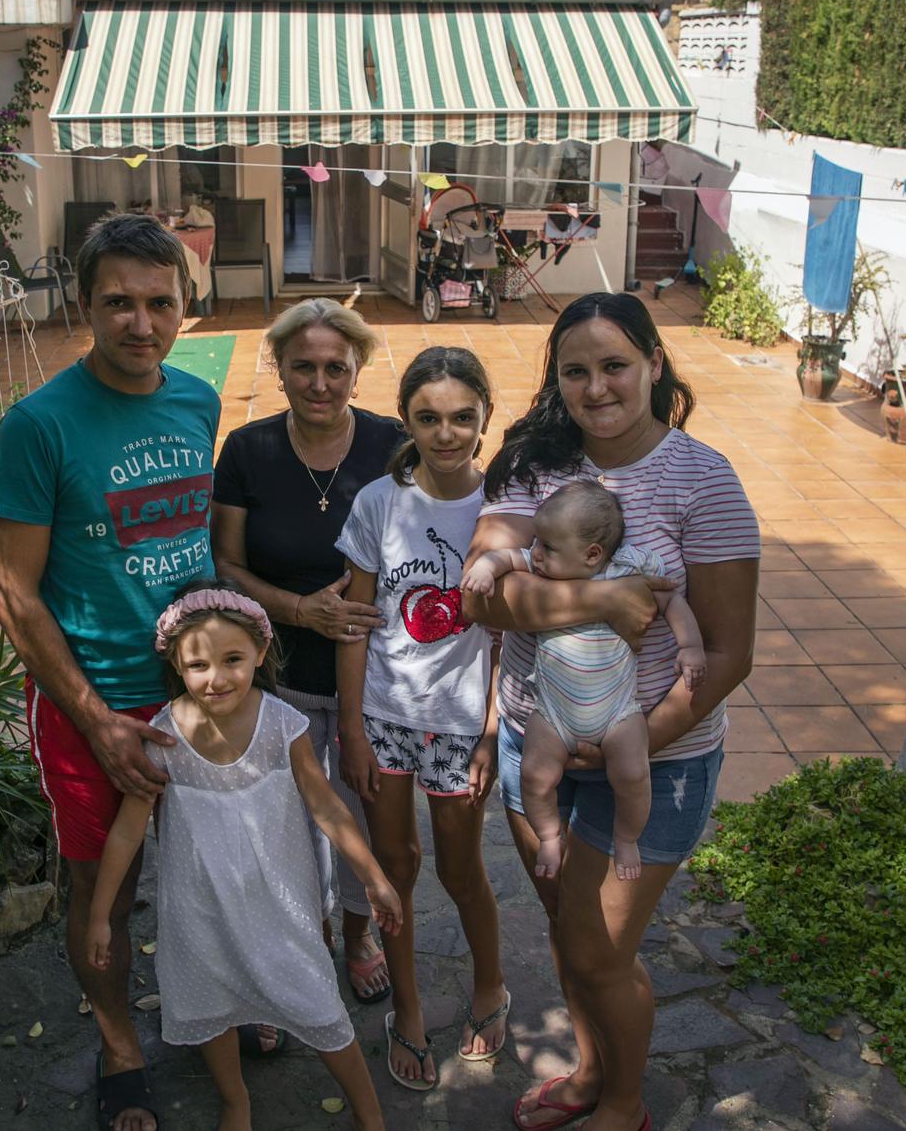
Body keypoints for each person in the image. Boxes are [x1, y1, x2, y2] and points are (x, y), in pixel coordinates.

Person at [462, 293, 760, 1131]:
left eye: (615, 365)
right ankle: (592, 1071)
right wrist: (604, 597)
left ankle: (624, 1104)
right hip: (537, 741)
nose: (597, 387)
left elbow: (731, 652)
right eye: (577, 370)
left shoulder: (706, 481)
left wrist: (631, 741)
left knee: (599, 950)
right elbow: (482, 598)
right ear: (557, 379)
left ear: (655, 364)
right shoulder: (533, 464)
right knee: (566, 927)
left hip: (654, 762)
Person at [0, 213, 216, 1131]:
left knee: (211, 873)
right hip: (94, 704)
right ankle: (121, 1044)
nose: (140, 322)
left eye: (160, 302)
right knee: (103, 891)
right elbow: (13, 594)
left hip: (199, 695)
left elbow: (194, 543)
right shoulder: (36, 426)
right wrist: (96, 717)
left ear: (184, 309)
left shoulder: (197, 403)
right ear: (84, 304)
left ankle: (217, 1009)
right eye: (117, 301)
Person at [88, 580, 401, 1131]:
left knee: (315, 999)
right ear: (177, 666)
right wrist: (99, 916)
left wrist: (372, 877)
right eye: (198, 664)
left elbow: (327, 807)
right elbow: (126, 832)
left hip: (278, 903)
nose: (216, 678)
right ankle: (236, 1101)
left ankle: (369, 1112)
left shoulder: (281, 723)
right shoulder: (163, 736)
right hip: (198, 906)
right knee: (207, 998)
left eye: (232, 659)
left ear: (260, 653)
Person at [212, 298, 404, 1004]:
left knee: (360, 815)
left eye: (336, 368)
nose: (320, 382)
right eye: (304, 367)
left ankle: (357, 935)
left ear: (357, 371)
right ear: (280, 369)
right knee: (281, 823)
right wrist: (299, 609)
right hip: (280, 675)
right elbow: (225, 564)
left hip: (371, 679)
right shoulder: (249, 450)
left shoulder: (392, 443)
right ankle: (295, 938)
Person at [334, 346, 510, 1093]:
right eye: (428, 417)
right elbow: (356, 618)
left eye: (462, 417)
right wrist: (350, 729)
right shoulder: (379, 501)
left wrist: (493, 728)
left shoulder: (505, 507)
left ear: (484, 419)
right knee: (393, 868)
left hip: (463, 722)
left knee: (461, 867)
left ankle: (490, 987)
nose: (446, 434)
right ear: (405, 419)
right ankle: (406, 1009)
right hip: (385, 714)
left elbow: (513, 632)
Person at [460, 479, 706, 883]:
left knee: (632, 775)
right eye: (536, 542)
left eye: (547, 547)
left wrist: (690, 647)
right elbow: (504, 557)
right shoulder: (545, 569)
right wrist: (485, 570)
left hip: (618, 713)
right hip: (552, 712)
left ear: (593, 554)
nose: (535, 553)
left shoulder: (629, 568)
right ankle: (549, 836)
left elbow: (669, 600)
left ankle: (627, 838)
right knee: (535, 777)